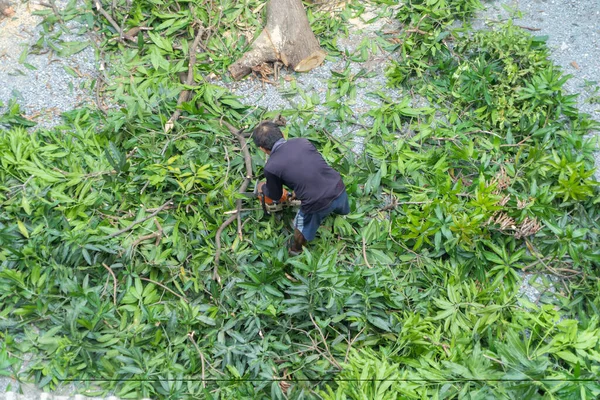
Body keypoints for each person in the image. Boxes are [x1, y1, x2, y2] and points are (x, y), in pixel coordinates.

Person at [252, 121, 350, 255]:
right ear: (281, 134)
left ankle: (296, 249)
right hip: (337, 185)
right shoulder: (303, 142)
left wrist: (263, 189)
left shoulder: (271, 167)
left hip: (316, 203)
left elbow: (275, 195)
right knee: (337, 203)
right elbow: (310, 168)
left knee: (301, 227)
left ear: (262, 148)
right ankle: (341, 213)